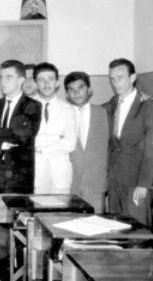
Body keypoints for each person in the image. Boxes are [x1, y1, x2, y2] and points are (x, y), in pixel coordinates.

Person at [0, 60, 40, 281]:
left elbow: (23, 135)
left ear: (21, 80)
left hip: (17, 180)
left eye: (8, 77)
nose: (3, 81)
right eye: (1, 77)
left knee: (16, 231)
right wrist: (2, 140)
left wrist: (0, 134)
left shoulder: (31, 106)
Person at [104, 58, 153, 225]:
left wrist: (144, 184)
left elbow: (150, 150)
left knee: (137, 231)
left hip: (136, 181)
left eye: (120, 77)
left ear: (132, 78)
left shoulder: (147, 106)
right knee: (116, 228)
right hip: (114, 180)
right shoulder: (110, 105)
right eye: (112, 78)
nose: (115, 82)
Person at [65, 72, 108, 213]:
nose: (76, 93)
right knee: (71, 225)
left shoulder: (104, 112)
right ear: (67, 94)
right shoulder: (62, 114)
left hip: (95, 182)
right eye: (72, 89)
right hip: (70, 183)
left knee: (96, 226)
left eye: (81, 88)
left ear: (89, 90)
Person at [33, 62, 76, 194]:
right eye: (41, 80)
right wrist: (56, 137)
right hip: (36, 173)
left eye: (51, 79)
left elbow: (70, 144)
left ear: (57, 83)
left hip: (60, 174)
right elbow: (27, 142)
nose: (46, 84)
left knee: (59, 213)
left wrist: (41, 146)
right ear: (35, 84)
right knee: (35, 212)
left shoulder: (68, 109)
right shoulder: (27, 107)